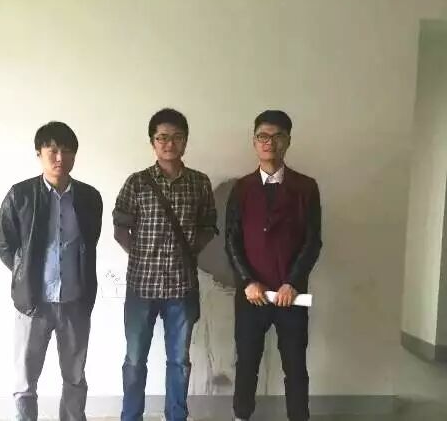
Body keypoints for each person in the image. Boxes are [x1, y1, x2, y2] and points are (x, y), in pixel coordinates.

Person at [113, 108, 218, 421]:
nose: (169, 143)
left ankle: (176, 416)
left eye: (176, 137)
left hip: (181, 287)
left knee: (179, 361)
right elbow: (120, 226)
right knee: (135, 360)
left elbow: (209, 225)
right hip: (141, 286)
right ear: (152, 142)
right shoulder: (137, 183)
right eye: (162, 138)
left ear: (185, 141)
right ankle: (131, 416)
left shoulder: (199, 183)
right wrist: (141, 254)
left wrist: (191, 250)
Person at [0, 121, 103, 421]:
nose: (59, 158)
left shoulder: (89, 197)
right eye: (52, 150)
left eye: (67, 151)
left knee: (75, 376)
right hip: (33, 304)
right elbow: (4, 243)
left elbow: (89, 243)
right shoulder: (20, 195)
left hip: (75, 302)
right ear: (39, 154)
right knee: (25, 379)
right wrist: (25, 274)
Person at [225, 110, 322, 421]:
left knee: (295, 366)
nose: (270, 142)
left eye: (277, 136)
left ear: (288, 141)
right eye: (263, 136)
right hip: (251, 295)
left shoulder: (306, 187)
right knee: (246, 364)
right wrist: (247, 280)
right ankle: (241, 416)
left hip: (290, 295)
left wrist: (292, 282)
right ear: (254, 142)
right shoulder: (241, 188)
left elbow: (313, 241)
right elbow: (231, 240)